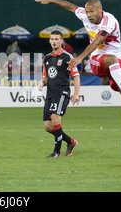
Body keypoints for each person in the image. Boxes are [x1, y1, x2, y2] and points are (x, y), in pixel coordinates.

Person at [36, 0, 121, 158]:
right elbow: (70, 7)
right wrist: (51, 0)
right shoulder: (84, 14)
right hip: (98, 60)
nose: (88, 15)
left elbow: (99, 38)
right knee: (112, 60)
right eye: (87, 11)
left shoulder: (109, 20)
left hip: (119, 63)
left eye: (92, 11)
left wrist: (79, 57)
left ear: (100, 9)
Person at [38, 30, 80, 158]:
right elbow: (45, 77)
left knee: (55, 119)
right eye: (52, 39)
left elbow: (76, 76)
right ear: (49, 41)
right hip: (50, 93)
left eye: (57, 39)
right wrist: (41, 83)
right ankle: (71, 142)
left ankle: (57, 152)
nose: (54, 41)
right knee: (48, 127)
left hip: (62, 92)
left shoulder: (67, 57)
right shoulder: (47, 58)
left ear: (62, 41)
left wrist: (76, 94)